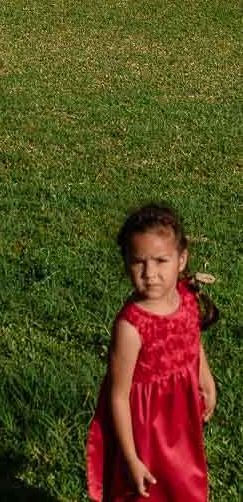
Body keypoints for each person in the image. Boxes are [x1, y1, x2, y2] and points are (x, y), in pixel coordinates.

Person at [86, 203, 216, 501]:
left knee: (184, 484)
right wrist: (131, 458)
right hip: (144, 429)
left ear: (181, 259)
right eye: (139, 262)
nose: (150, 273)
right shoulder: (130, 327)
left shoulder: (186, 297)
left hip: (180, 421)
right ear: (125, 262)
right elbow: (118, 396)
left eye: (161, 261)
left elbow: (192, 338)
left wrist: (205, 377)